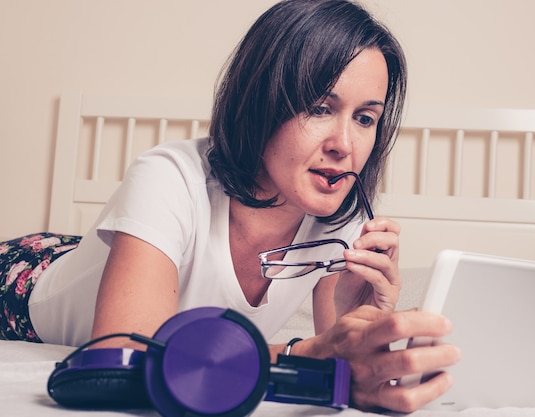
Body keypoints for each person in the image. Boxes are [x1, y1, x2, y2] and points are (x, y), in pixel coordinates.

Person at [0, 0, 460, 412]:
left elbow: (338, 363)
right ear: (262, 102)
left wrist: (366, 324)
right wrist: (304, 353)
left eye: (365, 118)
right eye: (320, 108)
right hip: (27, 277)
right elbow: (128, 356)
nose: (345, 145)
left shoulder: (343, 218)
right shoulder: (168, 176)